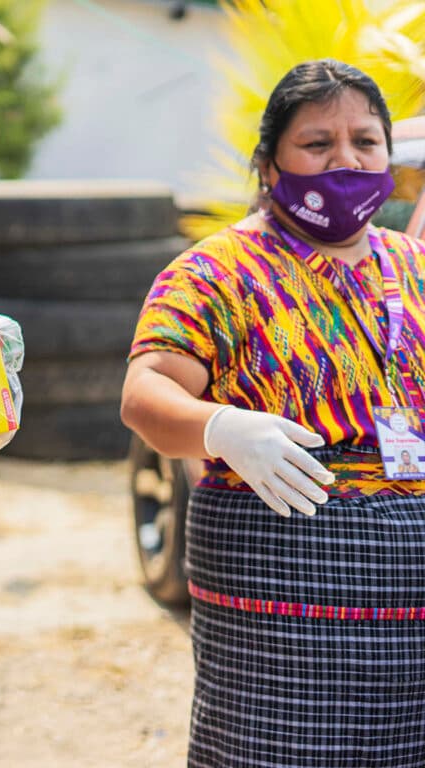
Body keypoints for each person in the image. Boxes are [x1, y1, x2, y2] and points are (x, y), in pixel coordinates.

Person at [121, 59, 425, 767]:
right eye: (318, 144)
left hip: (412, 587)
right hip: (281, 578)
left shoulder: (410, 268)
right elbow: (146, 394)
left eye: (365, 141)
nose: (345, 160)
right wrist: (220, 427)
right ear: (268, 164)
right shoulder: (216, 271)